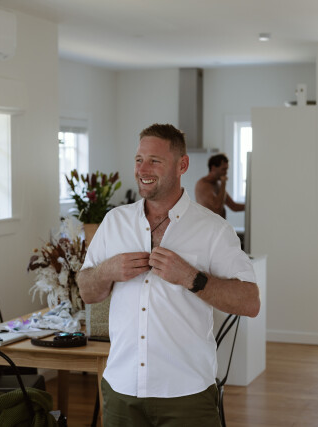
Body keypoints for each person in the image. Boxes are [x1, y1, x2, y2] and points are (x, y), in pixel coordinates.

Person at [77, 123, 260, 427]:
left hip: (186, 393)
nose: (142, 169)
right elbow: (86, 291)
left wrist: (192, 278)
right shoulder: (114, 222)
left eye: (154, 161)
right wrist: (108, 270)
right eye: (139, 160)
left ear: (182, 165)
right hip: (121, 389)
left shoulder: (213, 229)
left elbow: (250, 302)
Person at [195, 153, 245, 218]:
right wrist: (223, 183)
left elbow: (234, 206)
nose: (226, 173)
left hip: (218, 224)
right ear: (213, 168)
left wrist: (253, 206)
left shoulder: (217, 184)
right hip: (208, 224)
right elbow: (217, 206)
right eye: (223, 169)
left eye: (227, 169)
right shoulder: (204, 184)